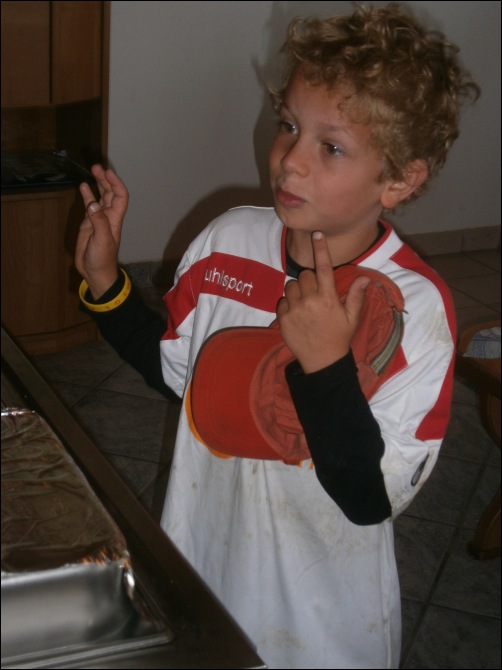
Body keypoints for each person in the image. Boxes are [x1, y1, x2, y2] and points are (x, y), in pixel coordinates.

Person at [75, 4, 479, 668]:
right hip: (204, 567)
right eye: (289, 125)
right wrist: (104, 284)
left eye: (331, 146)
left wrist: (327, 368)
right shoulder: (226, 242)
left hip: (319, 624)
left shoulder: (413, 310)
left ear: (399, 179)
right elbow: (180, 376)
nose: (290, 161)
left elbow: (369, 498)